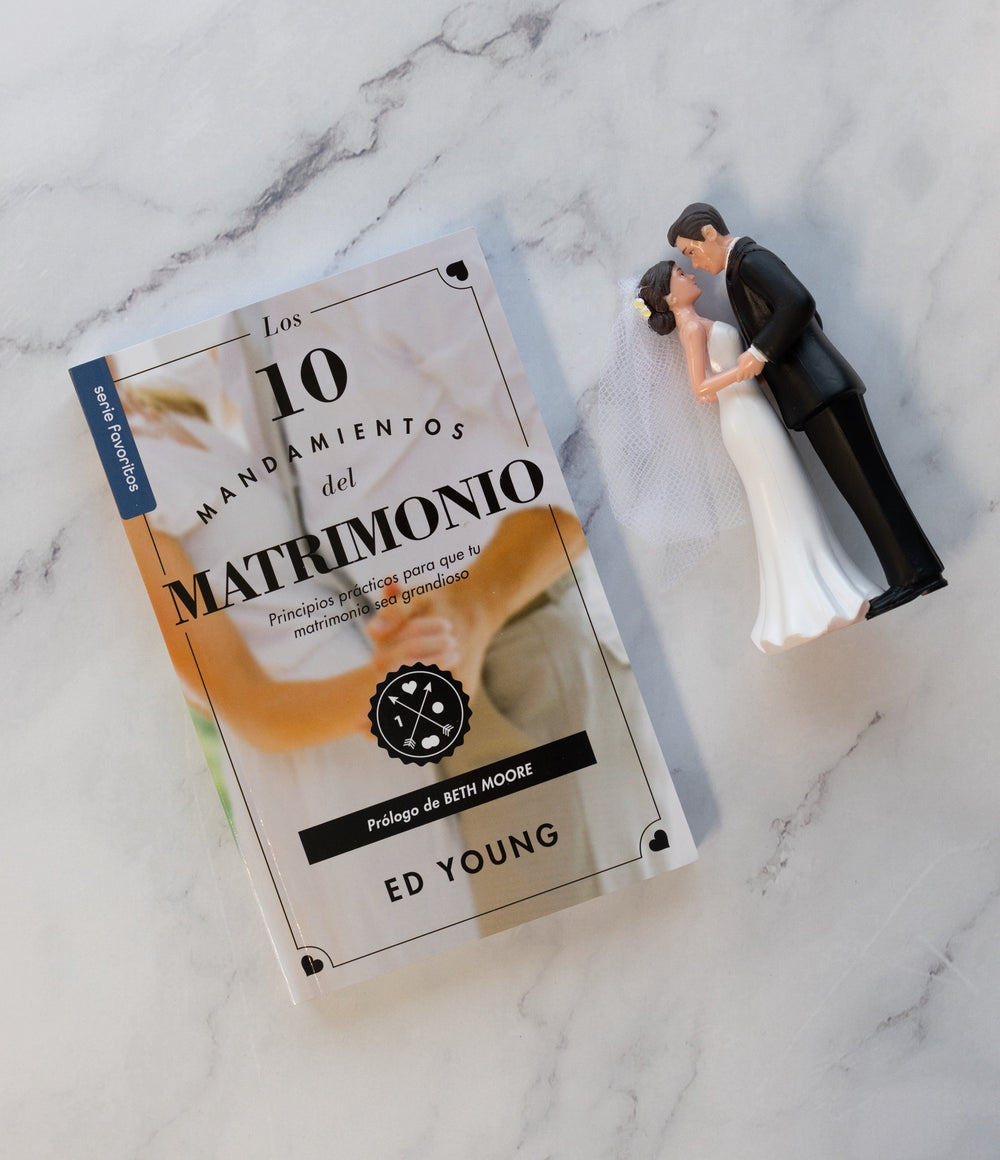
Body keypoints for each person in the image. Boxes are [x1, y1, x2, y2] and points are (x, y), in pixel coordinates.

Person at [667, 202, 945, 618]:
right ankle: (915, 573)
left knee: (868, 485)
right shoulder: (741, 268)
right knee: (863, 487)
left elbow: (798, 302)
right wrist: (771, 367)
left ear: (709, 233)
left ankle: (915, 575)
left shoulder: (750, 260)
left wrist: (760, 352)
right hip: (815, 391)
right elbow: (803, 316)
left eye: (691, 251)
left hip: (821, 391)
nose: (695, 263)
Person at [633, 260, 879, 652]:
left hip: (754, 412)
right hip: (743, 418)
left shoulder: (699, 323)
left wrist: (756, 368)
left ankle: (822, 593)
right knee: (782, 499)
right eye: (680, 274)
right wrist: (745, 368)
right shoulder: (692, 328)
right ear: (669, 296)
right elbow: (701, 389)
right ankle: (809, 605)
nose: (690, 275)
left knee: (790, 497)